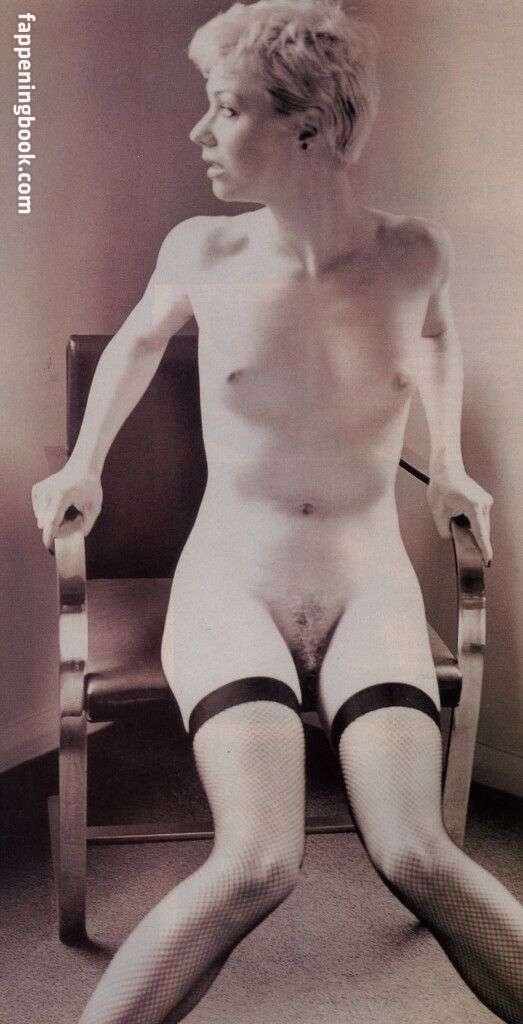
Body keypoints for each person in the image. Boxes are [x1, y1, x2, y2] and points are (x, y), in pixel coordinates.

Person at [32, 3, 522, 1022]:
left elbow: (435, 339)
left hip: (368, 584)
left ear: (308, 126)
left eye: (224, 108)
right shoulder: (201, 251)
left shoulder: (414, 254)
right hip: (233, 585)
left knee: (417, 854)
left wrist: (451, 463)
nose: (198, 133)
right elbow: (135, 344)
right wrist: (84, 464)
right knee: (256, 863)